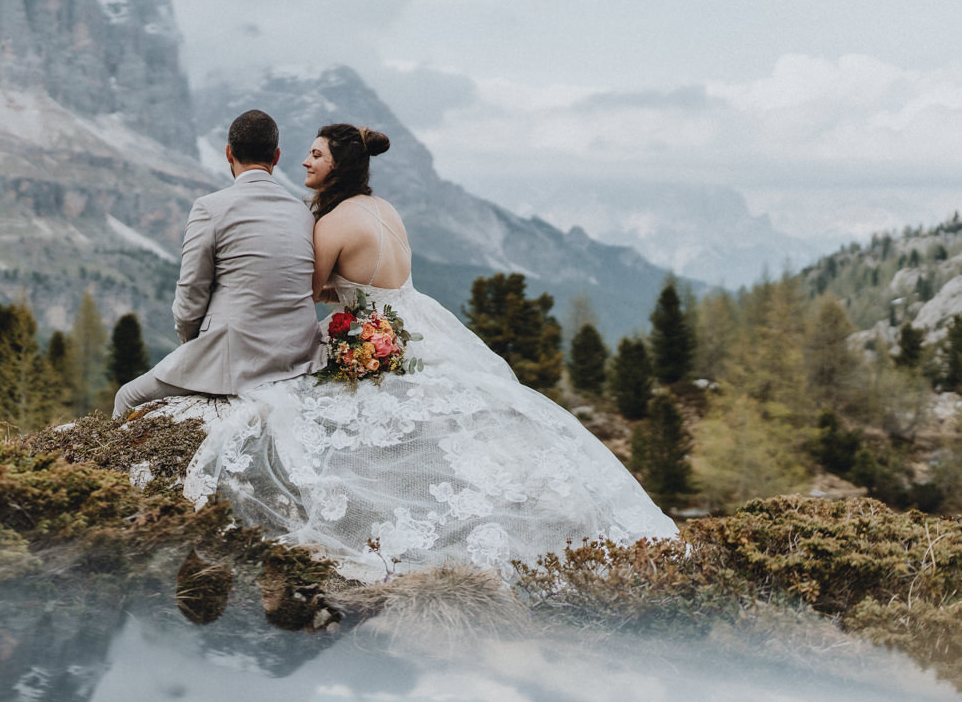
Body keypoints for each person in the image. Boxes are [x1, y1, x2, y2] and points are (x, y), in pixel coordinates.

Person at [181, 123, 678, 582]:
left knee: (294, 406)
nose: (306, 163)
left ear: (338, 166)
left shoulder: (331, 224)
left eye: (315, 155)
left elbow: (305, 291)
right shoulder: (383, 209)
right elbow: (370, 276)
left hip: (371, 331)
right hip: (417, 322)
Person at [112, 110, 324, 418]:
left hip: (234, 357)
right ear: (276, 156)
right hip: (298, 355)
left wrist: (192, 348)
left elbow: (190, 296)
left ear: (228, 153)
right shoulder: (303, 214)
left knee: (127, 398)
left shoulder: (209, 208)